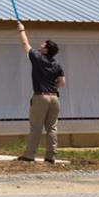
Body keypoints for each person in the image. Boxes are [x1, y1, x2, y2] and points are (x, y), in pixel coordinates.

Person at [14, 20, 65, 163]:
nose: (41, 45)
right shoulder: (57, 64)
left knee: (36, 126)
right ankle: (51, 156)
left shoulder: (37, 58)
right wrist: (52, 85)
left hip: (41, 97)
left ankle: (30, 155)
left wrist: (21, 30)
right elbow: (62, 83)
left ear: (46, 49)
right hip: (55, 98)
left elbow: (25, 44)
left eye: (44, 44)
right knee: (52, 128)